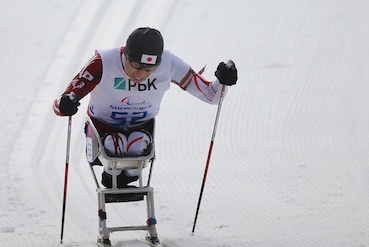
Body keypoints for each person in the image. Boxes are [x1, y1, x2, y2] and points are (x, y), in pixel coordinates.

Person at [53, 27, 238, 188]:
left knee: (137, 141)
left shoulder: (169, 63)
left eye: (150, 69)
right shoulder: (103, 61)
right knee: (112, 143)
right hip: (101, 133)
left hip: (142, 133)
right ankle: (112, 174)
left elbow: (211, 96)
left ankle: (127, 173)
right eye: (136, 66)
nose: (141, 74)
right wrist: (66, 105)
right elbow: (59, 105)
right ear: (125, 55)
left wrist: (223, 81)